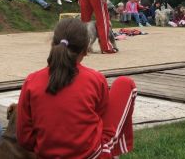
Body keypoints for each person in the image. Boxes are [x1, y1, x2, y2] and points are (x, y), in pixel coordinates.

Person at [16, 19, 137, 158]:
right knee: (125, 83)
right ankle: (110, 153)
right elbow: (102, 119)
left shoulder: (31, 81)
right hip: (92, 155)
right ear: (85, 50)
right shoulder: (95, 79)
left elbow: (25, 139)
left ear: (52, 44)